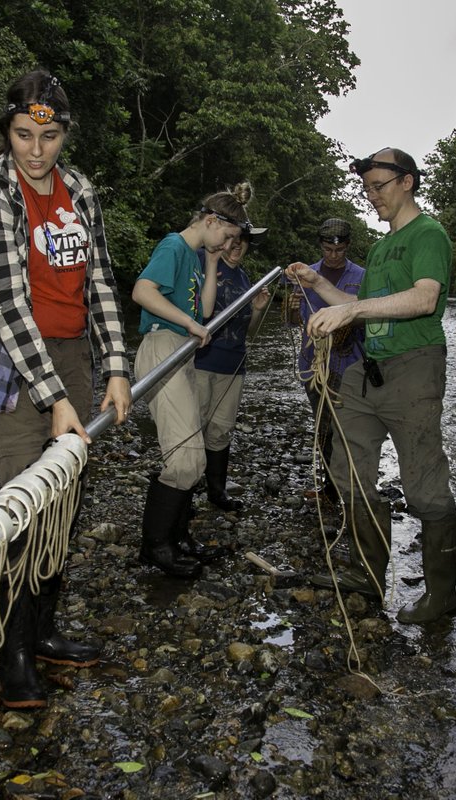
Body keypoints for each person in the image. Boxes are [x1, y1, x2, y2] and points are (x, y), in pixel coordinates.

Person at [0, 69, 132, 709]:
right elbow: (5, 304)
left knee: (67, 494)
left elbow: (102, 282)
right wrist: (55, 398)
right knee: (26, 503)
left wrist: (116, 367)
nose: (35, 149)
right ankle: (14, 654)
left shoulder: (79, 190)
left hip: (72, 351)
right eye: (24, 134)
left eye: (48, 136)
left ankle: (46, 630)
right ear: (7, 132)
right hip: (4, 360)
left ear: (64, 136)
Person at [284, 148, 456, 625]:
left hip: (415, 369)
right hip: (370, 371)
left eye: (379, 185)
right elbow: (355, 302)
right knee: (345, 467)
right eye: (366, 188)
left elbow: (424, 299)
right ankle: (367, 570)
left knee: (423, 488)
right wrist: (317, 281)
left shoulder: (429, 235)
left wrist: (353, 311)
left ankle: (441, 595)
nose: (371, 195)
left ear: (407, 182)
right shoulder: (381, 248)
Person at [132, 182, 251, 579]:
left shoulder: (198, 258)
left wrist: (214, 263)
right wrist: (186, 323)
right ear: (211, 220)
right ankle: (156, 547)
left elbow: (205, 309)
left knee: (194, 454)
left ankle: (178, 536)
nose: (229, 243)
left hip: (182, 350)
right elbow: (142, 291)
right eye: (227, 236)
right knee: (184, 457)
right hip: (162, 347)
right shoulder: (173, 246)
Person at [194, 223, 272, 514]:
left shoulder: (244, 279)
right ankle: (182, 494)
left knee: (221, 431)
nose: (238, 246)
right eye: (233, 239)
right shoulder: (202, 261)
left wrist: (259, 308)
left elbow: (246, 331)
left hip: (234, 365)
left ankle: (217, 492)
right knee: (192, 429)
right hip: (200, 363)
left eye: (244, 241)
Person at [285, 218, 365, 502]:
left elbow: (367, 320)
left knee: (346, 427)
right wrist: (293, 310)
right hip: (312, 365)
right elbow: (293, 322)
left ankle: (350, 487)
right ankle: (330, 488)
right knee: (323, 426)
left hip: (350, 364)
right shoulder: (304, 275)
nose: (334, 255)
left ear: (346, 247)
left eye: (340, 250)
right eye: (329, 250)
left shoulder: (363, 277)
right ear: (320, 246)